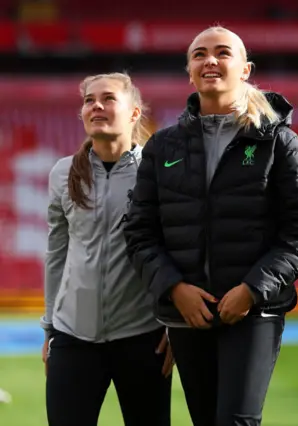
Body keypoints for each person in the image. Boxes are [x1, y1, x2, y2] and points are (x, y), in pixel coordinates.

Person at [123, 26, 298, 426]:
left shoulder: (279, 142)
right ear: (189, 71)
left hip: (254, 311)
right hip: (186, 313)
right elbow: (139, 230)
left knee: (236, 420)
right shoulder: (163, 146)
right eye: (199, 54)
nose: (210, 60)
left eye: (222, 53)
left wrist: (251, 290)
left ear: (245, 69)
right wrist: (174, 289)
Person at [41, 72, 173, 426]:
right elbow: (57, 254)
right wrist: (51, 328)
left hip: (145, 339)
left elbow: (177, 251)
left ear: (134, 112)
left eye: (108, 98)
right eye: (88, 100)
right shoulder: (62, 173)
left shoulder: (158, 172)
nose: (96, 105)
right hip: (73, 339)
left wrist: (173, 326)